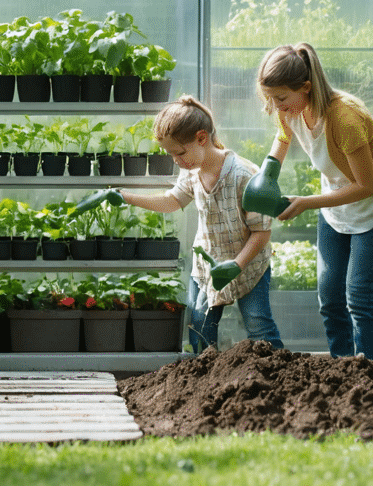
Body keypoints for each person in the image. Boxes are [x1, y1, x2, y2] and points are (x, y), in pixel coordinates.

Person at [257, 43, 373, 361]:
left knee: (359, 295)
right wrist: (266, 175)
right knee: (329, 296)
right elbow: (283, 137)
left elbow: (366, 186)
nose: (275, 106)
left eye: (280, 98)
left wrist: (305, 202)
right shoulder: (291, 110)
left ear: (305, 87)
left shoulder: (345, 118)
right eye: (270, 98)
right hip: (336, 203)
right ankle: (341, 367)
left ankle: (367, 372)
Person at [116, 96, 283, 353]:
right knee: (199, 327)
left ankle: (279, 371)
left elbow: (262, 232)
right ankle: (206, 375)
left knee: (258, 323)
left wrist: (237, 265)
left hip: (249, 264)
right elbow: (171, 201)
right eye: (171, 154)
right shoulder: (191, 170)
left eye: (180, 152)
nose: (176, 160)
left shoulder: (243, 175)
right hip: (208, 265)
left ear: (202, 138)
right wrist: (126, 197)